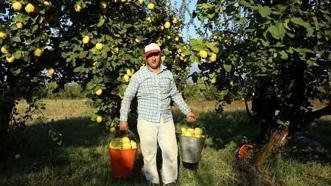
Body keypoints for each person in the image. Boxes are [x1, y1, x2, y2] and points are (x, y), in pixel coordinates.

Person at [119, 43, 196, 186]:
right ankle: (152, 180)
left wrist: (187, 111)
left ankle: (170, 181)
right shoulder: (138, 76)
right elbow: (127, 97)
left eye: (156, 54)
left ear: (160, 55)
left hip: (166, 119)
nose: (153, 58)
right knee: (149, 154)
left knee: (171, 151)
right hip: (146, 120)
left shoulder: (168, 74)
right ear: (145, 58)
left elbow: (175, 94)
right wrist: (123, 119)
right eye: (150, 56)